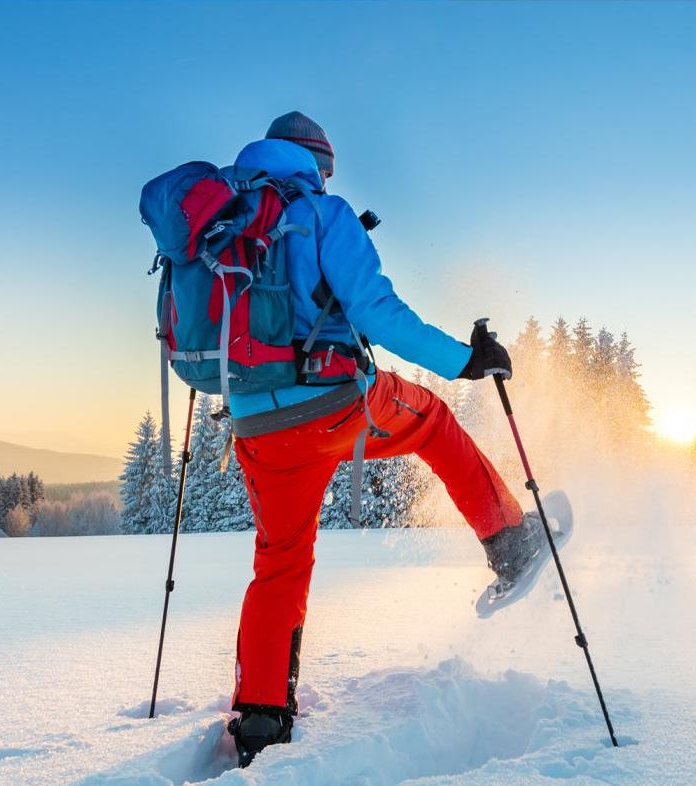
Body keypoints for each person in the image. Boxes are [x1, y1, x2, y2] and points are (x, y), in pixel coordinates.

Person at [225, 111, 552, 767]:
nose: (325, 179)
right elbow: (376, 311)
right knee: (429, 417)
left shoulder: (224, 226)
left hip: (257, 427)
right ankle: (509, 542)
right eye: (326, 168)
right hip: (335, 405)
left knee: (280, 560)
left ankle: (261, 718)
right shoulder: (324, 214)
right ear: (314, 162)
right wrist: (464, 358)